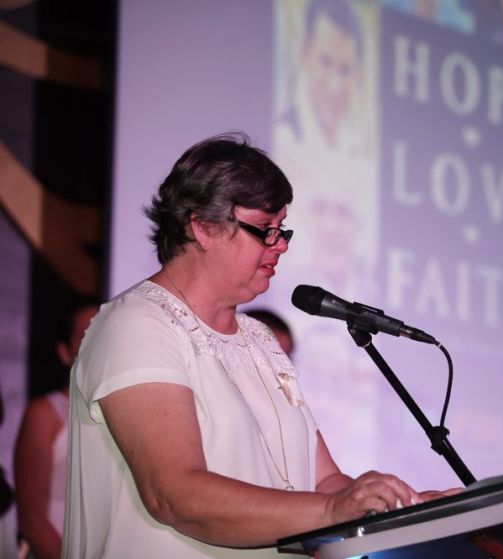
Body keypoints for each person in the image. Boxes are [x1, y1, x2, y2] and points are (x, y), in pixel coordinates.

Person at [63, 134, 454, 558]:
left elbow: (324, 482)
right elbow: (173, 495)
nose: (281, 244)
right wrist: (331, 510)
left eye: (281, 230)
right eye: (265, 230)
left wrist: (401, 510)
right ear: (203, 227)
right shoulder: (138, 324)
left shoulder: (260, 339)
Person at [14, 297, 99, 559]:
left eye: (104, 330)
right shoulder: (46, 413)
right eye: (86, 335)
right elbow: (32, 520)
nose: (98, 342)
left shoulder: (129, 413)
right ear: (64, 352)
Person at [275, 0, 367, 155]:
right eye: (325, 62)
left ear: (358, 76)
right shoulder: (282, 137)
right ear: (304, 53)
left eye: (345, 70)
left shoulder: (357, 149)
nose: (334, 85)